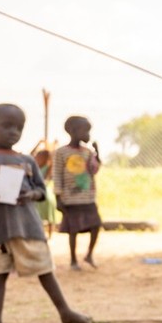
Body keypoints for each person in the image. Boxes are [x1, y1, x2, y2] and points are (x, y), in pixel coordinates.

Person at [0, 104, 93, 323]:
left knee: (45, 270)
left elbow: (41, 190)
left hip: (27, 226)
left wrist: (30, 195)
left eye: (18, 128)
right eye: (7, 126)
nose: (13, 132)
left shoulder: (27, 161)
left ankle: (65, 311)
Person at [52, 115, 102, 270]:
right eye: (85, 131)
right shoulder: (61, 152)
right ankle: (73, 260)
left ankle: (89, 255)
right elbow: (57, 174)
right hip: (70, 198)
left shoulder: (87, 152)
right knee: (73, 230)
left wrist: (97, 154)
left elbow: (93, 170)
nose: (87, 135)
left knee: (96, 225)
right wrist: (58, 197)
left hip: (87, 197)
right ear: (73, 131)